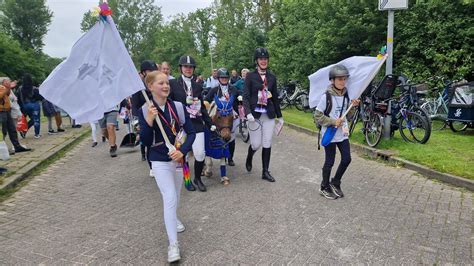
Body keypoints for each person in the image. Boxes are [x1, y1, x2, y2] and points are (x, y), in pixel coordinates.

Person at [138, 71, 196, 263]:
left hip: (178, 160)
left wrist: (183, 151)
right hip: (159, 160)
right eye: (160, 83)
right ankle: (173, 245)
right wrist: (148, 120)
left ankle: (174, 218)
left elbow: (191, 132)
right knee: (169, 197)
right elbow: (146, 141)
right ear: (150, 87)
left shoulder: (177, 107)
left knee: (177, 197)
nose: (165, 86)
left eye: (167, 83)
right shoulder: (145, 109)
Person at [314, 65, 360, 199]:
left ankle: (335, 182)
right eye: (339, 79)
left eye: (344, 79)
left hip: (342, 134)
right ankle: (324, 186)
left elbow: (349, 116)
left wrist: (353, 107)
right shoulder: (326, 97)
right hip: (330, 133)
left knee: (347, 159)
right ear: (332, 80)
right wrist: (333, 122)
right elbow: (317, 116)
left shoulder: (346, 96)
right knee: (330, 161)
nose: (342, 82)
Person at [169, 55, 213, 192]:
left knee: (200, 153)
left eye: (190, 67)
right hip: (181, 125)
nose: (188, 69)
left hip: (196, 124)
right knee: (184, 154)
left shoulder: (198, 85)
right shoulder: (173, 84)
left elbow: (202, 107)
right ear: (180, 68)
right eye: (185, 66)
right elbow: (169, 105)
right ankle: (187, 178)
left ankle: (197, 179)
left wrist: (210, 123)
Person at [243, 48, 283, 182]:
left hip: (268, 115)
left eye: (265, 59)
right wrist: (247, 112)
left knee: (267, 142)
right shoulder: (250, 76)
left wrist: (280, 116)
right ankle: (250, 155)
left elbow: (275, 98)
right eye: (261, 59)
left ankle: (265, 171)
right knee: (256, 144)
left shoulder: (272, 77)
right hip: (254, 116)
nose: (263, 61)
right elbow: (246, 96)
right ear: (256, 61)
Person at [205, 68, 241, 167]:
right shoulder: (214, 90)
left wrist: (240, 99)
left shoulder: (233, 89)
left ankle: (230, 158)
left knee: (231, 138)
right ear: (219, 78)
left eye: (225, 78)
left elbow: (239, 99)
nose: (224, 79)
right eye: (222, 77)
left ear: (228, 78)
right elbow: (206, 99)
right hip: (219, 117)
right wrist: (206, 103)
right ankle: (217, 154)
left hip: (231, 116)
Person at [0, 83, 31, 153]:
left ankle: (17, 146)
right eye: (6, 82)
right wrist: (7, 89)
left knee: (12, 129)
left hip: (6, 110)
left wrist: (8, 89)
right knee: (3, 131)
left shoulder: (1, 87)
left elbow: (6, 95)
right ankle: (3, 149)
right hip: (1, 112)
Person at [17, 74, 43, 138]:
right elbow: (40, 98)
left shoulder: (20, 88)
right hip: (34, 105)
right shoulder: (34, 88)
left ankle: (24, 131)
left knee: (29, 119)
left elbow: (18, 98)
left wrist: (21, 107)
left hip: (24, 106)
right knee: (36, 119)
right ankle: (37, 134)